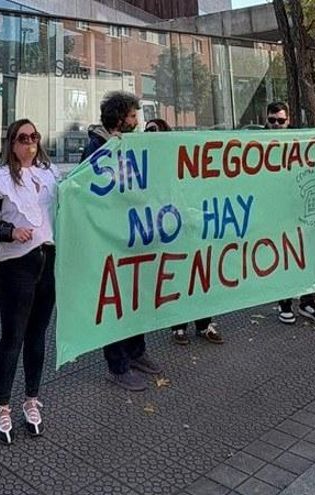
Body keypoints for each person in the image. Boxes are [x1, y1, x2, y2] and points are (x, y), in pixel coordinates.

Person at [0, 119, 59, 445]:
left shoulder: (50, 175)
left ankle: (32, 400)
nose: (29, 142)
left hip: (47, 260)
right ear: (11, 143)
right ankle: (2, 406)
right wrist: (10, 231)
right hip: (17, 265)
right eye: (22, 138)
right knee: (13, 337)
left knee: (38, 335)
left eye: (34, 136)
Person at [82, 91, 163, 392]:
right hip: (110, 239)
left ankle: (136, 351)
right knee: (115, 301)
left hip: (133, 236)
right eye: (132, 116)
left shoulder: (131, 144)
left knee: (135, 295)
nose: (137, 121)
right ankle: (117, 365)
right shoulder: (96, 148)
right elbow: (90, 192)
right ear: (118, 118)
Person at [143, 118, 226, 345]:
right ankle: (178, 326)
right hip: (168, 227)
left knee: (199, 275)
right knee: (176, 276)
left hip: (190, 225)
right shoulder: (145, 162)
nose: (151, 134)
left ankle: (204, 324)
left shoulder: (180, 157)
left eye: (155, 130)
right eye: (148, 130)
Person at [265, 101, 315, 326]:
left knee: (306, 254)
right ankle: (284, 303)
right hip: (275, 212)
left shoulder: (299, 141)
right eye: (272, 120)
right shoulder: (257, 144)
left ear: (288, 121)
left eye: (280, 120)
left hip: (299, 209)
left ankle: (308, 302)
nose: (276, 125)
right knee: (283, 255)